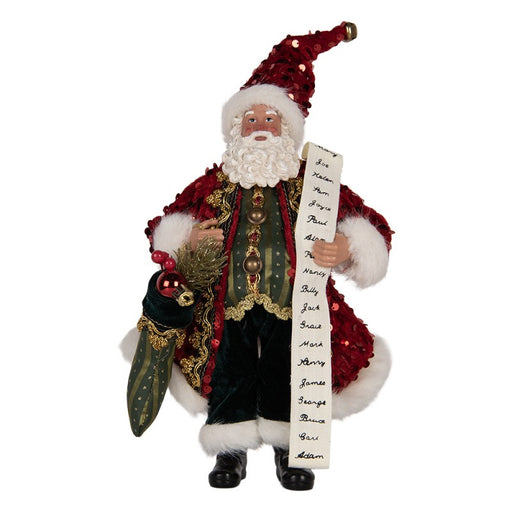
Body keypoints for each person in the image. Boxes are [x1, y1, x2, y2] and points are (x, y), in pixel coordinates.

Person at [138, 22, 393, 490]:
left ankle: (289, 449)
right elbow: (166, 224)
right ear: (236, 131)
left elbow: (368, 223)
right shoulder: (216, 182)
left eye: (270, 119)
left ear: (287, 130)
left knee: (287, 370)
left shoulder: (313, 182)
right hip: (225, 300)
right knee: (228, 368)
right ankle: (229, 451)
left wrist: (349, 246)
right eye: (250, 120)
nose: (259, 127)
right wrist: (186, 240)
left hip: (294, 301)